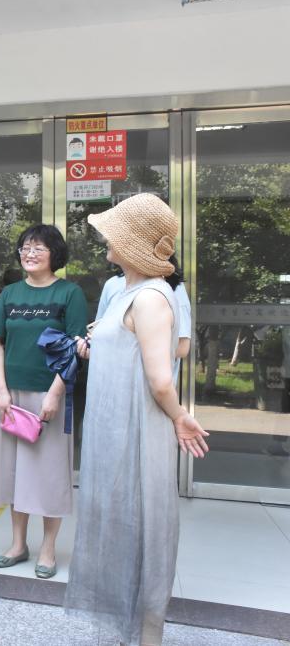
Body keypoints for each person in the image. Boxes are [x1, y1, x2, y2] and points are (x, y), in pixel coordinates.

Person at [65, 193, 209, 646]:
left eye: (114, 232)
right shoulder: (129, 291)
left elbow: (161, 380)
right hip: (116, 432)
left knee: (142, 532)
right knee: (122, 531)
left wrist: (180, 417)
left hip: (138, 433)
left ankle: (149, 636)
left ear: (133, 243)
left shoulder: (151, 297)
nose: (106, 239)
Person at [0, 224, 87, 580]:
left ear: (54, 254)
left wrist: (56, 393)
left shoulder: (69, 293)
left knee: (50, 473)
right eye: (25, 247)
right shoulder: (10, 293)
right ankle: (18, 544)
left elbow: (76, 348)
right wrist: (1, 390)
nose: (30, 253)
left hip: (49, 396)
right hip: (11, 397)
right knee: (15, 471)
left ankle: (48, 548)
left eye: (38, 248)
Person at [94, 254, 192, 376]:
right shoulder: (112, 284)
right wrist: (92, 346)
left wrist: (117, 351)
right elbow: (99, 335)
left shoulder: (171, 286)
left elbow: (182, 347)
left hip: (147, 383)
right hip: (109, 379)